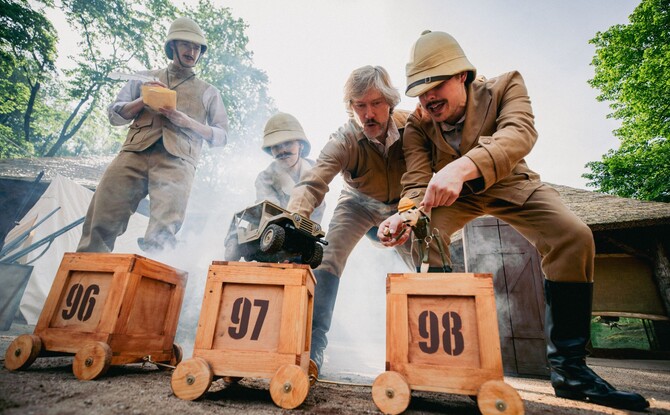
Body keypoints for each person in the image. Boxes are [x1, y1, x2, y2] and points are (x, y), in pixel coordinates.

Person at [378, 30, 649, 411]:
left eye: (435, 85)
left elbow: (519, 134)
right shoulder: (418, 124)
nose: (427, 99)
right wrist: (403, 216)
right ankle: (443, 362)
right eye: (419, 91)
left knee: (573, 235)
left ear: (462, 75)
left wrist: (463, 166)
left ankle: (571, 371)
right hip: (452, 198)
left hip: (511, 183)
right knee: (422, 235)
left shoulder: (507, 85)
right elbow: (417, 180)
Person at [286, 65, 416, 375]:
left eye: (376, 103)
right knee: (328, 257)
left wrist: (410, 214)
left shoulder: (414, 126)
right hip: (357, 205)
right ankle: (313, 347)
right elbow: (313, 180)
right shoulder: (343, 139)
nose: (369, 114)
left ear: (390, 102)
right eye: (360, 105)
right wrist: (293, 220)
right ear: (350, 107)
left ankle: (430, 352)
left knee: (431, 258)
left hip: (403, 206)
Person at [77, 17, 229, 253]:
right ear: (172, 47)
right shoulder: (144, 77)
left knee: (163, 234)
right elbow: (115, 115)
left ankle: (154, 281)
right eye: (186, 45)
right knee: (102, 218)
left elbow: (221, 136)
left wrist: (187, 121)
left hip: (178, 162)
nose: (191, 51)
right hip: (133, 154)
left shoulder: (209, 92)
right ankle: (84, 276)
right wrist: (143, 99)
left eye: (197, 47)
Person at [255, 112, 325, 224]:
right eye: (276, 146)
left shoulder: (317, 171)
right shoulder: (265, 179)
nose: (282, 150)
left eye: (288, 143)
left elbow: (317, 213)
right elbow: (272, 216)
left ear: (300, 145)